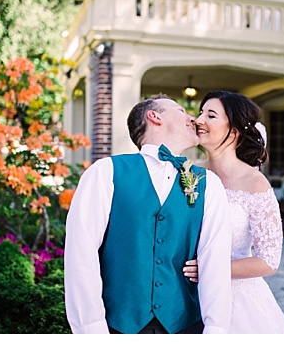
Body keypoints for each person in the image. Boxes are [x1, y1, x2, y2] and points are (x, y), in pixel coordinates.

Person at [65, 94, 233, 334]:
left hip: (186, 325)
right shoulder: (105, 173)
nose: (193, 118)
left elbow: (214, 261)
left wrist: (215, 330)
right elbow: (81, 254)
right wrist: (91, 330)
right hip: (116, 326)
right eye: (181, 111)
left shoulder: (208, 184)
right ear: (154, 116)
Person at [180, 90, 284, 333]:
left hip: (236, 301)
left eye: (210, 115)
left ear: (233, 131)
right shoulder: (188, 174)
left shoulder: (254, 183)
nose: (199, 120)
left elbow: (269, 260)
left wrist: (212, 268)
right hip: (184, 293)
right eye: (201, 113)